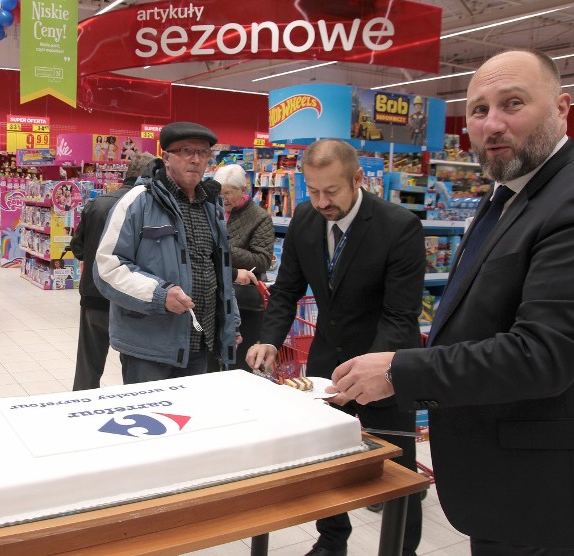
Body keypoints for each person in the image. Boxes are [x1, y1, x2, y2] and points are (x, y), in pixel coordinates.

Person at [330, 49, 574, 552]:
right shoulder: (505, 195)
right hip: (500, 483)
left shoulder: (565, 201)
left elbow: (545, 354)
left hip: (541, 497)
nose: (493, 124)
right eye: (479, 110)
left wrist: (401, 371)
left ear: (561, 109)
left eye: (513, 103)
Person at [246, 138, 426, 556]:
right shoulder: (306, 220)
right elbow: (287, 289)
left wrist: (372, 372)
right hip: (325, 360)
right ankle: (331, 541)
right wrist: (269, 340)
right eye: (312, 190)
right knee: (325, 459)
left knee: (397, 470)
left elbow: (400, 315)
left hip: (385, 363)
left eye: (332, 191)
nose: (322, 201)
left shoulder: (398, 226)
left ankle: (403, 550)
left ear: (357, 179)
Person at [94, 121, 239, 383]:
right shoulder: (138, 201)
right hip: (151, 348)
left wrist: (230, 322)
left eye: (203, 152)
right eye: (186, 151)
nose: (195, 159)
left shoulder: (211, 206)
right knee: (151, 420)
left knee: (193, 419)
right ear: (166, 156)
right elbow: (108, 268)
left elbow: (218, 270)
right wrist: (160, 295)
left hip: (201, 342)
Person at [70, 152, 156, 390]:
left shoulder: (98, 203)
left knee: (88, 366)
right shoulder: (147, 208)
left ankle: (79, 410)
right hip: (129, 300)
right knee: (135, 369)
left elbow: (77, 247)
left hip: (93, 296)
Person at [213, 163, 272, 371]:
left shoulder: (260, 217)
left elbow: (263, 259)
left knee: (239, 365)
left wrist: (224, 249)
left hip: (245, 302)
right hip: (214, 298)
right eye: (220, 193)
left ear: (244, 190)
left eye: (229, 193)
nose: (224, 198)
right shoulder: (212, 211)